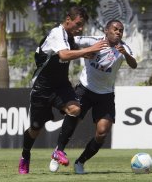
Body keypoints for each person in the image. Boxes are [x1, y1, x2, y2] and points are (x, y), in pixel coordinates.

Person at [18, 6, 109, 174]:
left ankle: (58, 150)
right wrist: (88, 50)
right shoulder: (56, 33)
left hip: (61, 86)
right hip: (42, 88)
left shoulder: (70, 37)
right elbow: (64, 55)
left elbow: (74, 50)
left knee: (75, 109)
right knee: (35, 129)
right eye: (78, 24)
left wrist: (86, 53)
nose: (80, 28)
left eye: (82, 25)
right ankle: (25, 155)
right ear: (68, 19)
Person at [49, 19, 137, 174]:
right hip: (85, 89)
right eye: (115, 29)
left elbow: (134, 64)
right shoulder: (93, 41)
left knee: (102, 132)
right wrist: (82, 51)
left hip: (106, 95)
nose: (118, 32)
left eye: (121, 30)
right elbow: (69, 41)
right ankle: (58, 152)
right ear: (106, 30)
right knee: (73, 117)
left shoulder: (123, 48)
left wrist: (125, 54)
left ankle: (80, 162)